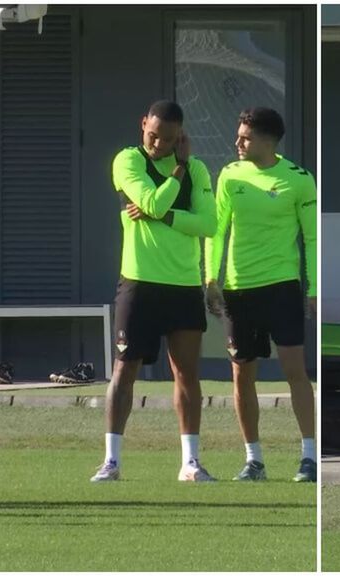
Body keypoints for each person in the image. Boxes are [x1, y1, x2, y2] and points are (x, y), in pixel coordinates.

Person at [91, 100, 217, 483]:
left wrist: (167, 213)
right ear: (143, 123)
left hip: (184, 285)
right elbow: (152, 201)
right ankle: (111, 462)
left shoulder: (197, 169)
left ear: (181, 136)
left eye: (169, 139)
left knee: (186, 374)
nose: (159, 144)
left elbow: (209, 224)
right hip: (140, 282)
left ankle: (190, 463)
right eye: (153, 135)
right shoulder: (128, 160)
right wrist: (176, 174)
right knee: (124, 370)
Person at [204, 108, 317, 482]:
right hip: (238, 291)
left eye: (246, 137)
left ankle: (309, 458)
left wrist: (314, 288)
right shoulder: (230, 175)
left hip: (282, 288)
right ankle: (254, 461)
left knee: (295, 372)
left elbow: (313, 238)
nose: (237, 142)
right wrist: (211, 278)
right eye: (239, 135)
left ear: (268, 141)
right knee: (241, 376)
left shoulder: (299, 179)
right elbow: (217, 230)